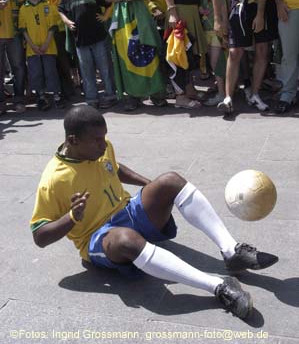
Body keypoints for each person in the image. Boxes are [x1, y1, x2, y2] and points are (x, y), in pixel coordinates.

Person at [30, 104, 279, 320]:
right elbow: (40, 236)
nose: (103, 143)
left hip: (127, 211)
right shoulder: (53, 180)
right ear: (73, 141)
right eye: (97, 139)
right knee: (126, 240)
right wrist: (71, 217)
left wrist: (151, 186)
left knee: (170, 180)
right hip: (99, 237)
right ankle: (218, 286)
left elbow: (113, 168)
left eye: (105, 137)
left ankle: (231, 251)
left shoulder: (99, 148)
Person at [105, 0, 165, 111]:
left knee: (148, 51)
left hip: (141, 15)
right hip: (122, 17)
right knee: (127, 56)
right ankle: (133, 96)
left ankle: (155, 93)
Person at [58, 0, 116, 109]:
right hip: (81, 41)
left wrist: (105, 16)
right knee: (87, 71)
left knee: (105, 68)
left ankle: (110, 95)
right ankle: (92, 99)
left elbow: (109, 4)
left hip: (98, 38)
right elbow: (61, 10)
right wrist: (67, 22)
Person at [19, 0, 65, 111]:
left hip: (48, 46)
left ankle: (56, 96)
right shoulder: (23, 9)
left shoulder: (47, 5)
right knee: (36, 72)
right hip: (32, 49)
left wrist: (46, 43)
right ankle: (41, 96)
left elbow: (52, 27)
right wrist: (32, 45)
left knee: (51, 71)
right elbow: (23, 30)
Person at [36, 0, 74, 100]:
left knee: (76, 57)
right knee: (61, 59)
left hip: (73, 20)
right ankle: (67, 90)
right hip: (54, 24)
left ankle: (84, 86)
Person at [0, 0, 26, 115]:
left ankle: (18, 99)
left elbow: (23, 3)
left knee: (18, 66)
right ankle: (1, 102)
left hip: (14, 31)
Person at [198, 0, 226, 106]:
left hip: (216, 33)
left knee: (216, 64)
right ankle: (222, 90)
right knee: (213, 63)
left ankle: (222, 94)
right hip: (205, 32)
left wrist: (225, 32)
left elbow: (223, 12)